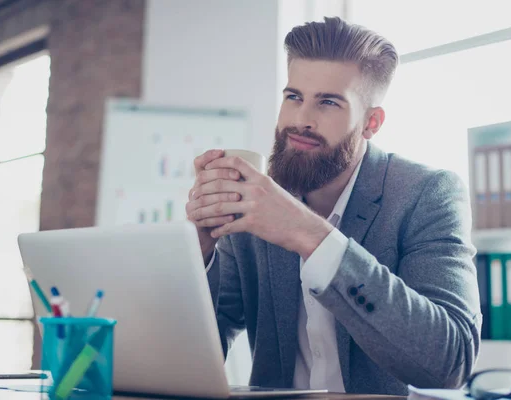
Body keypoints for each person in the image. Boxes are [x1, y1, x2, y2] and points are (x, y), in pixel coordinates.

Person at [185, 16, 481, 396]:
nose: (301, 120)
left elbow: (450, 361)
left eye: (328, 102)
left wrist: (311, 236)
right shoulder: (254, 202)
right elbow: (194, 353)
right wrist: (198, 249)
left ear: (371, 122)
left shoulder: (427, 193)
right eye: (293, 97)